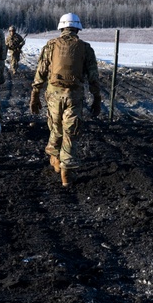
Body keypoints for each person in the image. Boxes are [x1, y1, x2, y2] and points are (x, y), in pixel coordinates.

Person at [29, 12, 102, 187]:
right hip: (74, 95)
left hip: (53, 94)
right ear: (77, 28)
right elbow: (93, 76)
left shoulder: (50, 46)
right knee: (71, 131)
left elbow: (41, 72)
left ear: (61, 27)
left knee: (55, 126)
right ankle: (66, 172)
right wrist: (97, 97)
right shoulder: (85, 48)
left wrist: (35, 94)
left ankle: (54, 157)